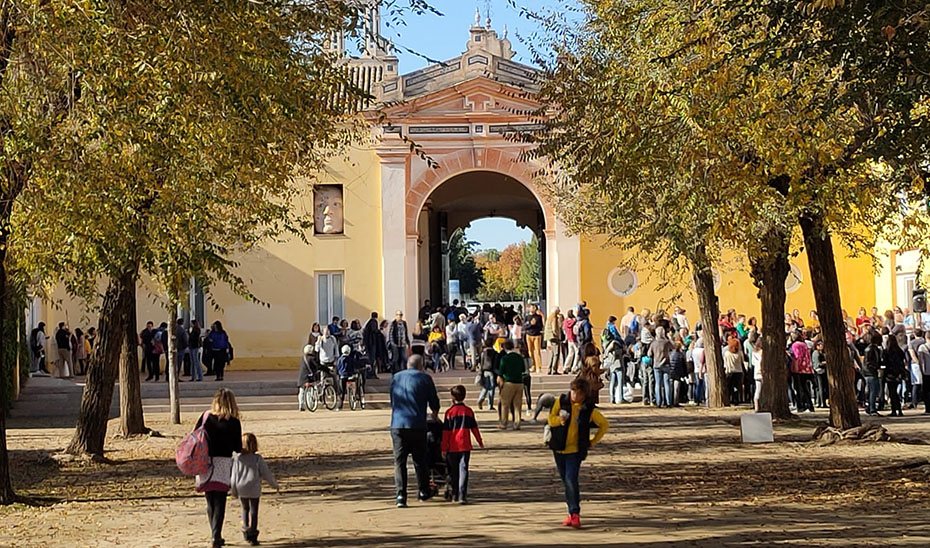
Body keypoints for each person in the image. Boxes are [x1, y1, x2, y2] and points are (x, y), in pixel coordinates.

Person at [547, 377, 609, 529]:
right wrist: (558, 421)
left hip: (574, 451)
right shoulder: (561, 401)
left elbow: (604, 425)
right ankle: (570, 512)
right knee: (565, 481)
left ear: (584, 395)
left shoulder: (588, 409)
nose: (574, 395)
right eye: (573, 391)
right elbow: (550, 419)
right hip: (559, 448)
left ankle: (575, 513)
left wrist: (592, 442)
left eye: (578, 393)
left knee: (570, 480)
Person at [390, 354, 440, 508]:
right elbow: (434, 401)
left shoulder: (396, 378)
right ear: (421, 366)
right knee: (420, 460)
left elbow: (392, 400)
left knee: (399, 462)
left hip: (398, 423)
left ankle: (401, 495)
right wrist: (435, 415)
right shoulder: (425, 378)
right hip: (417, 423)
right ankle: (423, 490)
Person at [195, 388, 243, 548]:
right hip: (223, 463)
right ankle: (216, 535)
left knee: (210, 499)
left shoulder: (206, 417)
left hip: (205, 462)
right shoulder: (234, 422)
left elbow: (195, 435)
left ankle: (214, 533)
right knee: (220, 501)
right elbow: (237, 447)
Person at [230, 433, 279, 546]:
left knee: (245, 509)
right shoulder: (257, 459)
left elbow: (233, 476)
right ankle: (253, 533)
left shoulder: (237, 459)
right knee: (254, 511)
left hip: (241, 487)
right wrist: (274, 485)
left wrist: (233, 490)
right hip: (254, 487)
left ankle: (245, 530)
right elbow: (266, 474)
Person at [440, 385, 484, 504]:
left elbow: (446, 433)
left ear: (452, 398)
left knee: (453, 471)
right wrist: (479, 441)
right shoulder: (468, 411)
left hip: (452, 446)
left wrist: (443, 448)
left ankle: (454, 494)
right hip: (465, 445)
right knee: (463, 469)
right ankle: (462, 495)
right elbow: (474, 428)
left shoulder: (449, 412)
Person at [497, 339, 525, 430]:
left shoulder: (504, 359)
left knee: (505, 404)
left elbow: (501, 371)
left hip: (509, 382)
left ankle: (504, 423)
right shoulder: (519, 357)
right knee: (517, 405)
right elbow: (523, 369)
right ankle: (517, 423)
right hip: (519, 382)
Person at [648, 326, 674, 407]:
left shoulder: (653, 343)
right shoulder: (666, 342)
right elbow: (673, 347)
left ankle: (659, 402)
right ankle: (668, 402)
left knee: (658, 384)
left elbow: (649, 354)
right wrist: (670, 338)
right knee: (667, 383)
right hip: (665, 364)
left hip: (656, 365)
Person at [789, 331, 814, 412]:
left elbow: (797, 357)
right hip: (807, 368)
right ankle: (809, 406)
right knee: (805, 388)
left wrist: (796, 368)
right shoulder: (804, 345)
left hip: (799, 369)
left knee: (798, 388)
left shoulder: (796, 345)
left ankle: (801, 406)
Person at [883, 334, 907, 417]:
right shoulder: (899, 351)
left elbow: (884, 362)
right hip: (898, 373)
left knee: (892, 392)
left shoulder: (887, 351)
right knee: (895, 392)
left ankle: (894, 410)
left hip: (890, 374)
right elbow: (902, 362)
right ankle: (898, 409)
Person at [862, 334, 883, 416]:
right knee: (873, 391)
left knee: (872, 390)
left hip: (870, 372)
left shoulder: (872, 348)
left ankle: (870, 407)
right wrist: (876, 367)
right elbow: (868, 362)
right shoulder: (871, 349)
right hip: (870, 372)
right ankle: (872, 408)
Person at [524, 304, 544, 373]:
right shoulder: (527, 317)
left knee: (537, 351)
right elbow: (525, 326)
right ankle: (533, 365)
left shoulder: (538, 317)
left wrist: (535, 324)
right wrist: (531, 324)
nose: (533, 309)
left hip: (537, 335)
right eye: (532, 307)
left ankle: (539, 366)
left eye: (534, 308)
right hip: (529, 335)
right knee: (530, 351)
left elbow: (541, 326)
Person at [297, 344, 316, 411]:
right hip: (309, 377)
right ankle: (310, 405)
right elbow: (317, 366)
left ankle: (300, 405)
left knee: (301, 392)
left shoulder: (303, 358)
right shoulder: (312, 358)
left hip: (302, 377)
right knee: (309, 392)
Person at [546, 307, 564, 375]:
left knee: (553, 354)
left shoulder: (549, 317)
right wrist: (557, 335)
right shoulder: (554, 318)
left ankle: (550, 369)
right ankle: (554, 369)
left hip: (550, 337)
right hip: (554, 337)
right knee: (556, 354)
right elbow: (554, 329)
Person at [562, 309, 578, 374]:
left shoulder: (565, 321)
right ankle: (574, 367)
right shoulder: (574, 321)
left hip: (568, 338)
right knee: (577, 353)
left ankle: (566, 367)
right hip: (574, 338)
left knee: (570, 353)